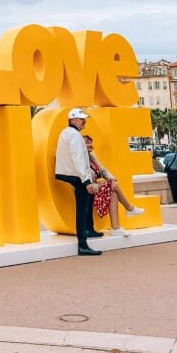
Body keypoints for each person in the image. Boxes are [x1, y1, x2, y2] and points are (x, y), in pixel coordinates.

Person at [55, 109, 101, 256]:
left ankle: (88, 232)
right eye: (82, 119)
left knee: (84, 207)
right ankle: (83, 244)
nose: (84, 122)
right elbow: (78, 158)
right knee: (82, 210)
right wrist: (86, 180)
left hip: (68, 173)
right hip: (77, 175)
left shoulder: (65, 133)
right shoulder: (74, 135)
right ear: (73, 120)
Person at [84, 136, 144, 237]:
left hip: (96, 187)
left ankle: (116, 228)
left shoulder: (91, 156)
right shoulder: (79, 158)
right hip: (88, 188)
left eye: (90, 142)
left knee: (113, 190)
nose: (90, 145)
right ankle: (129, 208)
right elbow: (81, 175)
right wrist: (96, 184)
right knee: (113, 188)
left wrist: (112, 180)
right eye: (87, 143)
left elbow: (103, 170)